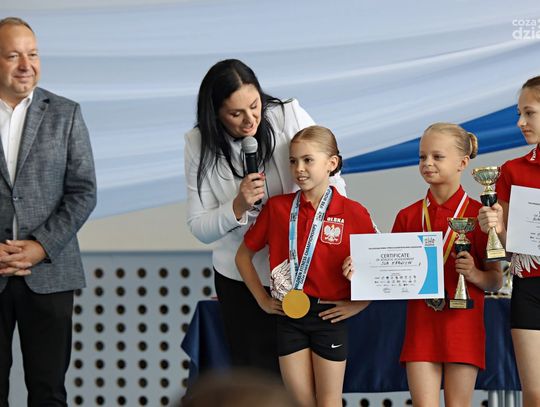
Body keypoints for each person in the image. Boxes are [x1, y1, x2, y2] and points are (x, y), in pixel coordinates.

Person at [184, 59, 345, 374]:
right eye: (235, 114)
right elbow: (199, 227)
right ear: (215, 114)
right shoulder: (198, 143)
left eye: (255, 106)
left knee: (308, 381)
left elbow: (333, 180)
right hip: (242, 280)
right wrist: (237, 206)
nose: (249, 121)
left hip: (305, 272)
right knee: (257, 379)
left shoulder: (288, 115)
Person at [236, 125, 373, 407]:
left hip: (329, 317)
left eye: (308, 160)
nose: (299, 168)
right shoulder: (277, 208)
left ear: (331, 163)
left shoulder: (354, 212)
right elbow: (242, 256)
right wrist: (262, 299)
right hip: (289, 315)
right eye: (293, 161)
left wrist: (359, 304)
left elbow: (376, 267)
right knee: (298, 402)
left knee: (329, 401)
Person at [0, 17, 97, 406]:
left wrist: (40, 246)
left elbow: (83, 191)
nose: (26, 65)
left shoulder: (65, 113)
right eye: (13, 56)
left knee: (49, 393)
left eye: (33, 54)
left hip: (51, 272)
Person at [386, 123, 501, 406]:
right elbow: (390, 275)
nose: (427, 163)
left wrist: (473, 273)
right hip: (421, 326)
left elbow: (495, 280)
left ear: (463, 162)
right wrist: (364, 267)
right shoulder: (407, 216)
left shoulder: (479, 215)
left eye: (437, 156)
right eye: (422, 156)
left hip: (463, 327)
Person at [477, 76, 540, 406]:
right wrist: (496, 227)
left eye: (529, 113)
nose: (520, 122)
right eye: (520, 114)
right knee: (535, 393)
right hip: (530, 288)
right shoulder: (512, 171)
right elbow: (505, 247)